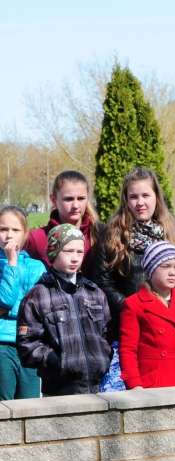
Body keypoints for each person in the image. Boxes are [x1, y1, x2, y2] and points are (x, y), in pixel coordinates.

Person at [91, 167, 175, 391]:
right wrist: (132, 308)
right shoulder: (111, 234)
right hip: (126, 331)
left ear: (156, 197)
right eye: (133, 196)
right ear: (125, 199)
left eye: (146, 195)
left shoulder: (173, 234)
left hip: (165, 332)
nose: (140, 202)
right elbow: (102, 283)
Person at [17, 225, 112, 396]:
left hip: (97, 388)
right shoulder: (39, 295)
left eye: (79, 252)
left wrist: (102, 357)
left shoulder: (95, 293)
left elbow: (106, 333)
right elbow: (27, 344)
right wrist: (57, 361)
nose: (75, 258)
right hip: (59, 391)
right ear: (53, 252)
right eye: (68, 251)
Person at [118, 241, 175, 389]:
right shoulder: (134, 304)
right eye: (165, 266)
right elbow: (128, 349)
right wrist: (134, 384)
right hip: (151, 385)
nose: (172, 272)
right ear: (151, 269)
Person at [0, 206, 46, 399]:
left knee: (31, 404)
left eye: (15, 230)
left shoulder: (36, 267)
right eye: (3, 229)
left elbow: (38, 307)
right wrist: (12, 263)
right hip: (2, 344)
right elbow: (5, 300)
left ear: (25, 234)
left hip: (30, 344)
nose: (9, 235)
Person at [24, 170, 103, 269]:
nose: (75, 205)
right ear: (54, 200)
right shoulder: (36, 239)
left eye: (81, 198)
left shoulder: (100, 235)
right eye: (68, 199)